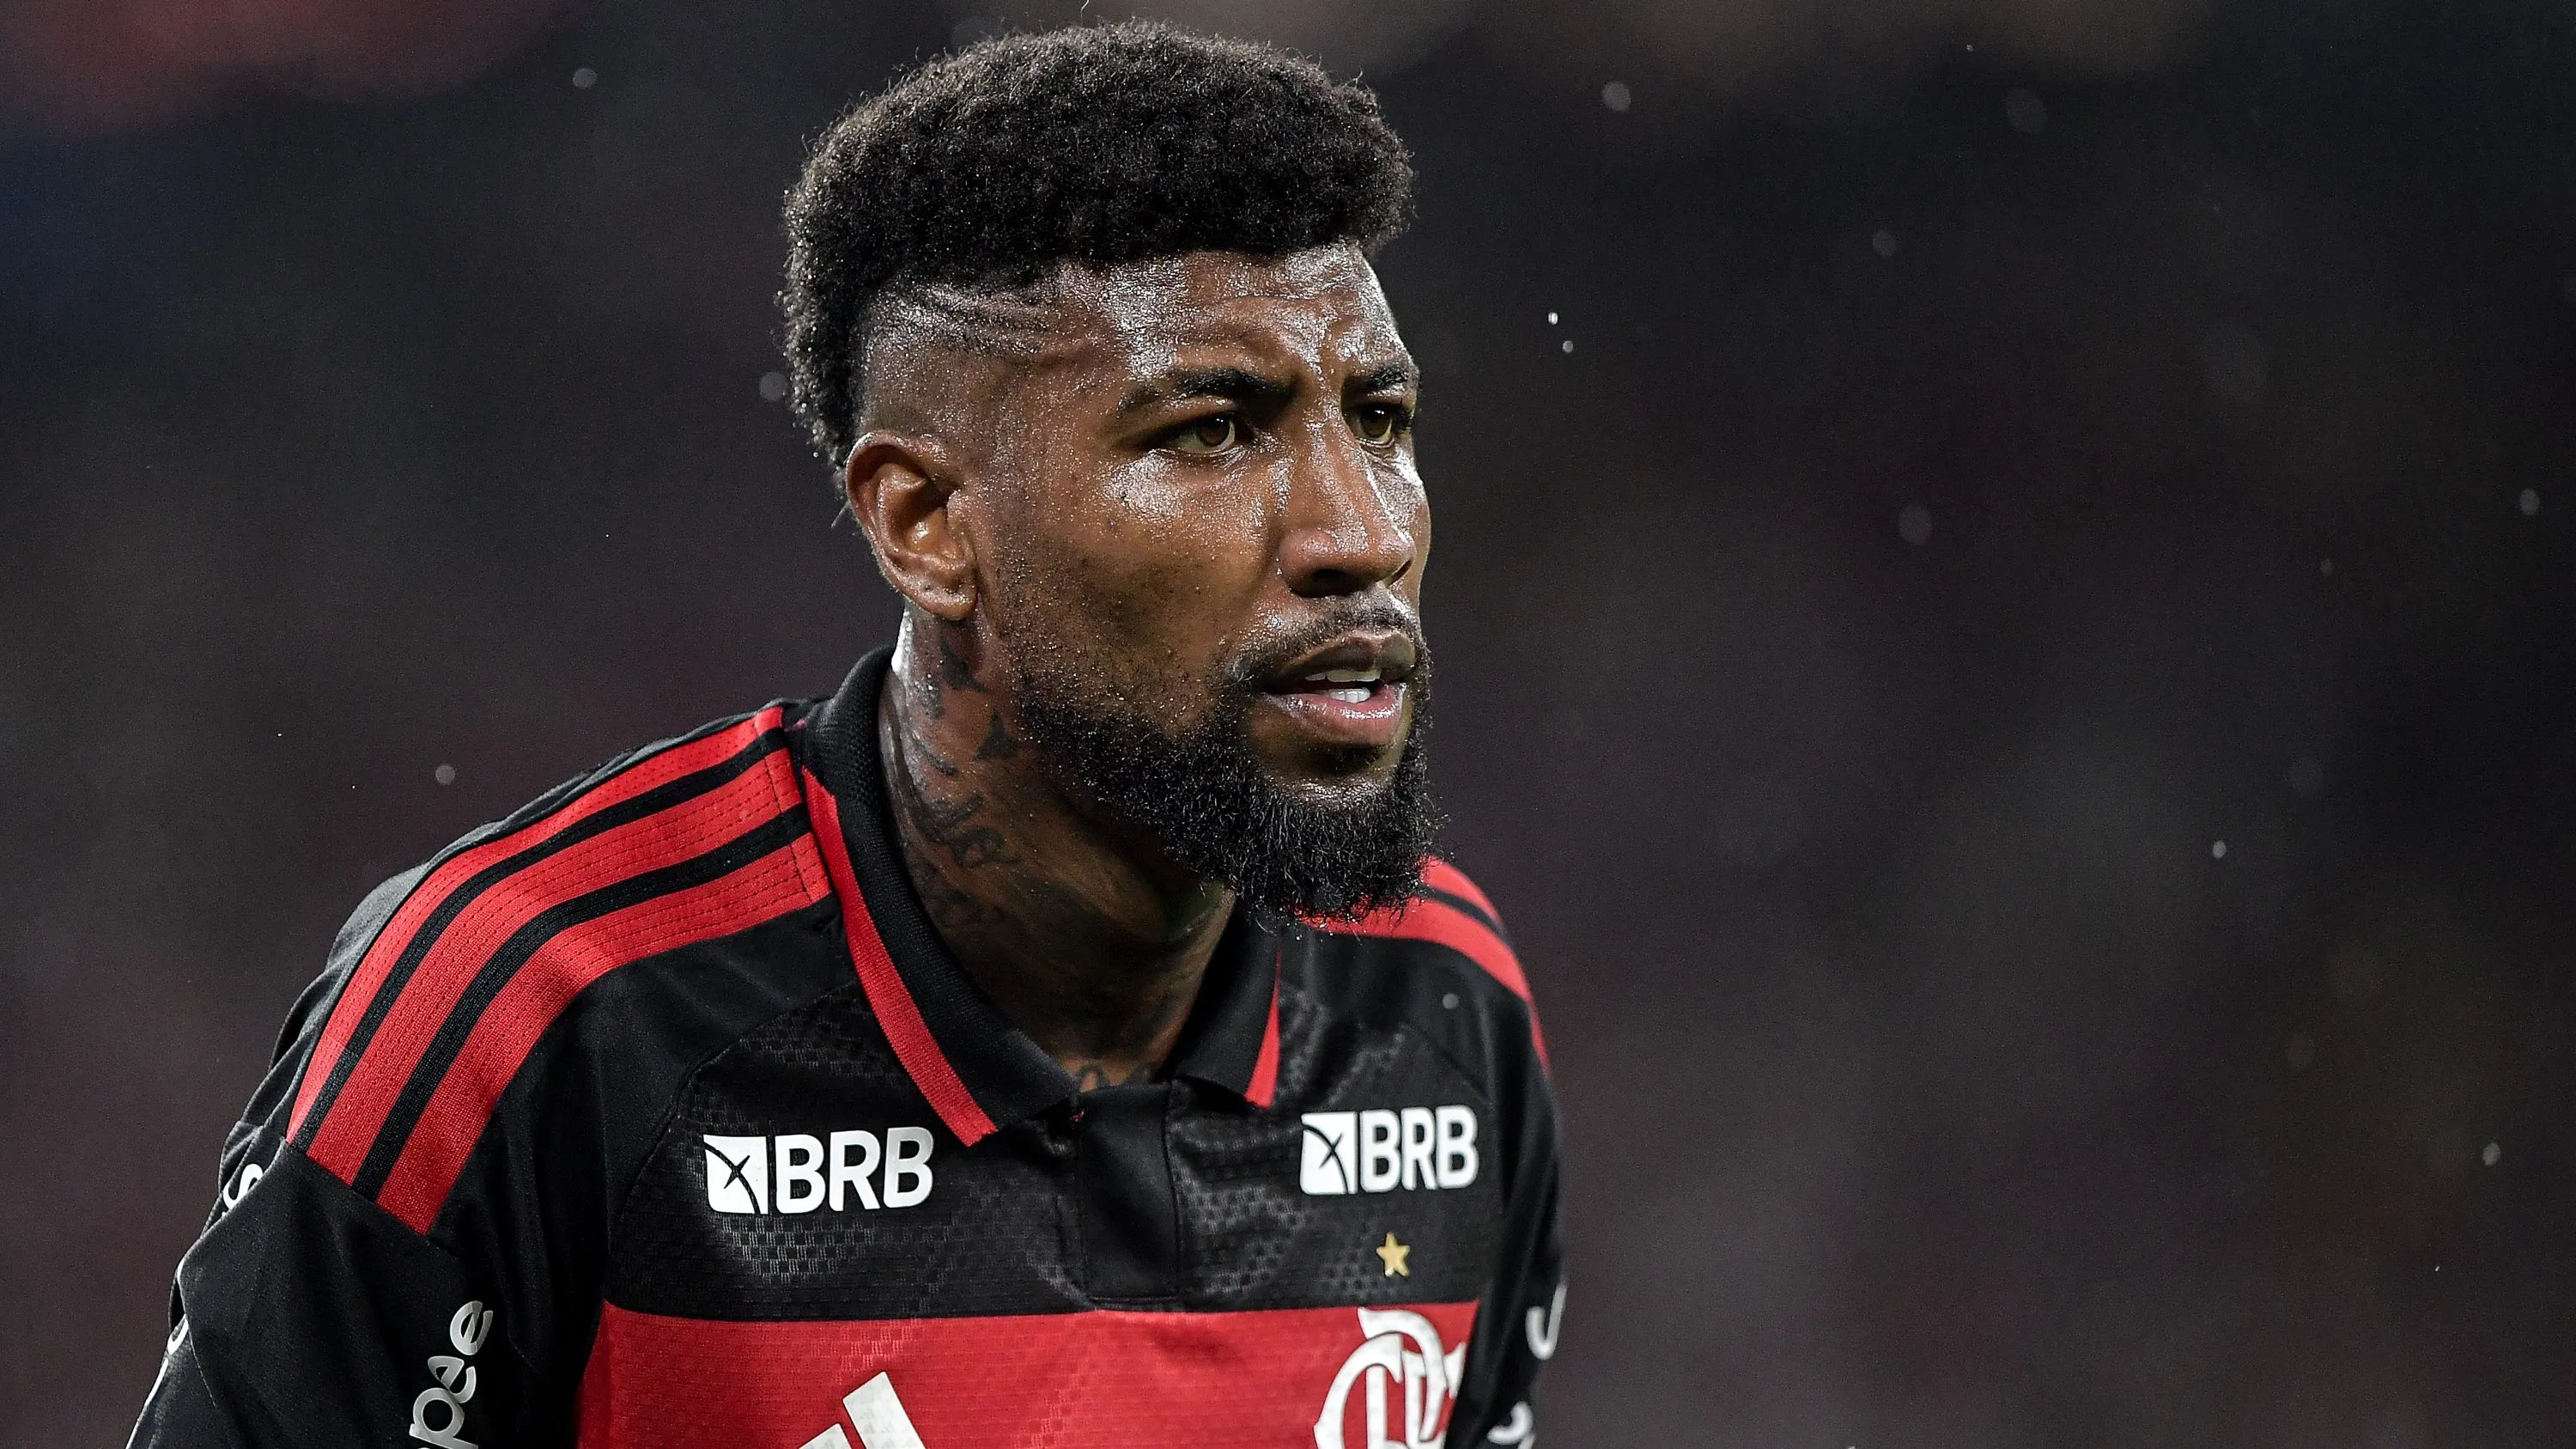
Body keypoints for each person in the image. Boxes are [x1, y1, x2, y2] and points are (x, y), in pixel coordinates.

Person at [130, 22, 1562, 1448]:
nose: (1361, 533)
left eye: (1379, 418)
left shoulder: (1442, 1011)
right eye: (1210, 430)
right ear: (926, 523)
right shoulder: (535, 1016)